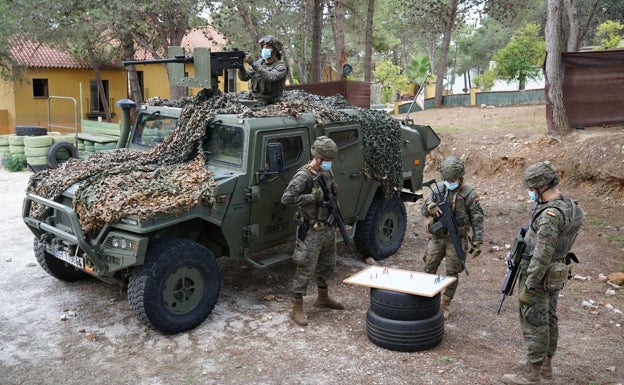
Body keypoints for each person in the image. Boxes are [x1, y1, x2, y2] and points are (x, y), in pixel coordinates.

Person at [502, 161, 584, 385]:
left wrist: (529, 285)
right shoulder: (571, 205)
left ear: (540, 186)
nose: (530, 193)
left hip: (539, 274)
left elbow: (542, 254)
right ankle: (546, 369)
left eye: (531, 189)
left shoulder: (550, 215)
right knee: (549, 318)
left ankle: (531, 375)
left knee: (534, 321)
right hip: (555, 272)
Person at [280, 136, 344, 326]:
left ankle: (323, 298)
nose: (330, 163)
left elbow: (331, 195)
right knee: (305, 268)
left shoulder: (327, 172)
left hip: (327, 227)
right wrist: (311, 197)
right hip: (310, 231)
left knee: (328, 265)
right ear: (319, 157)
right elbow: (287, 198)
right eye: (327, 159)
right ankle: (297, 307)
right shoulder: (303, 176)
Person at [421, 155, 484, 320]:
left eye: (454, 179)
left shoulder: (469, 194)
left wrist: (477, 241)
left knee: (452, 272)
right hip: (437, 237)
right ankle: (426, 298)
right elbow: (423, 210)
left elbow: (477, 219)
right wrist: (430, 207)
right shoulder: (438, 189)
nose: (451, 182)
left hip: (456, 238)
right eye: (448, 179)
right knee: (429, 267)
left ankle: (446, 302)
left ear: (461, 176)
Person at [239, 35, 289, 106]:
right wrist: (240, 66)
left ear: (275, 50)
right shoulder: (259, 63)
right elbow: (244, 77)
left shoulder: (281, 66)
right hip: (256, 103)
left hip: (273, 105)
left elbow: (270, 77)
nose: (265, 49)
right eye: (263, 47)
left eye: (268, 47)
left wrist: (253, 63)